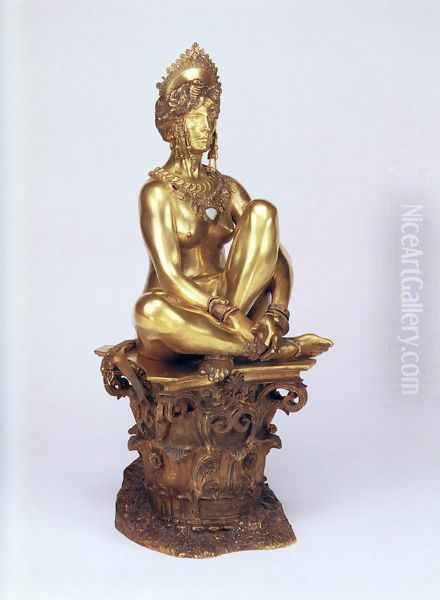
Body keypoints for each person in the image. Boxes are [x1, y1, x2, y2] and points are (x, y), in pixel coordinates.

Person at [134, 44, 332, 381]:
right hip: (181, 311)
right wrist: (230, 316)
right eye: (195, 117)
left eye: (210, 117)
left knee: (263, 211)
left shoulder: (227, 188)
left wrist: (276, 314)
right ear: (174, 124)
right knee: (148, 310)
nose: (205, 126)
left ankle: (226, 348)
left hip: (232, 300)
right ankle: (267, 348)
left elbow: (273, 256)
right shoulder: (157, 193)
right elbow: (170, 277)